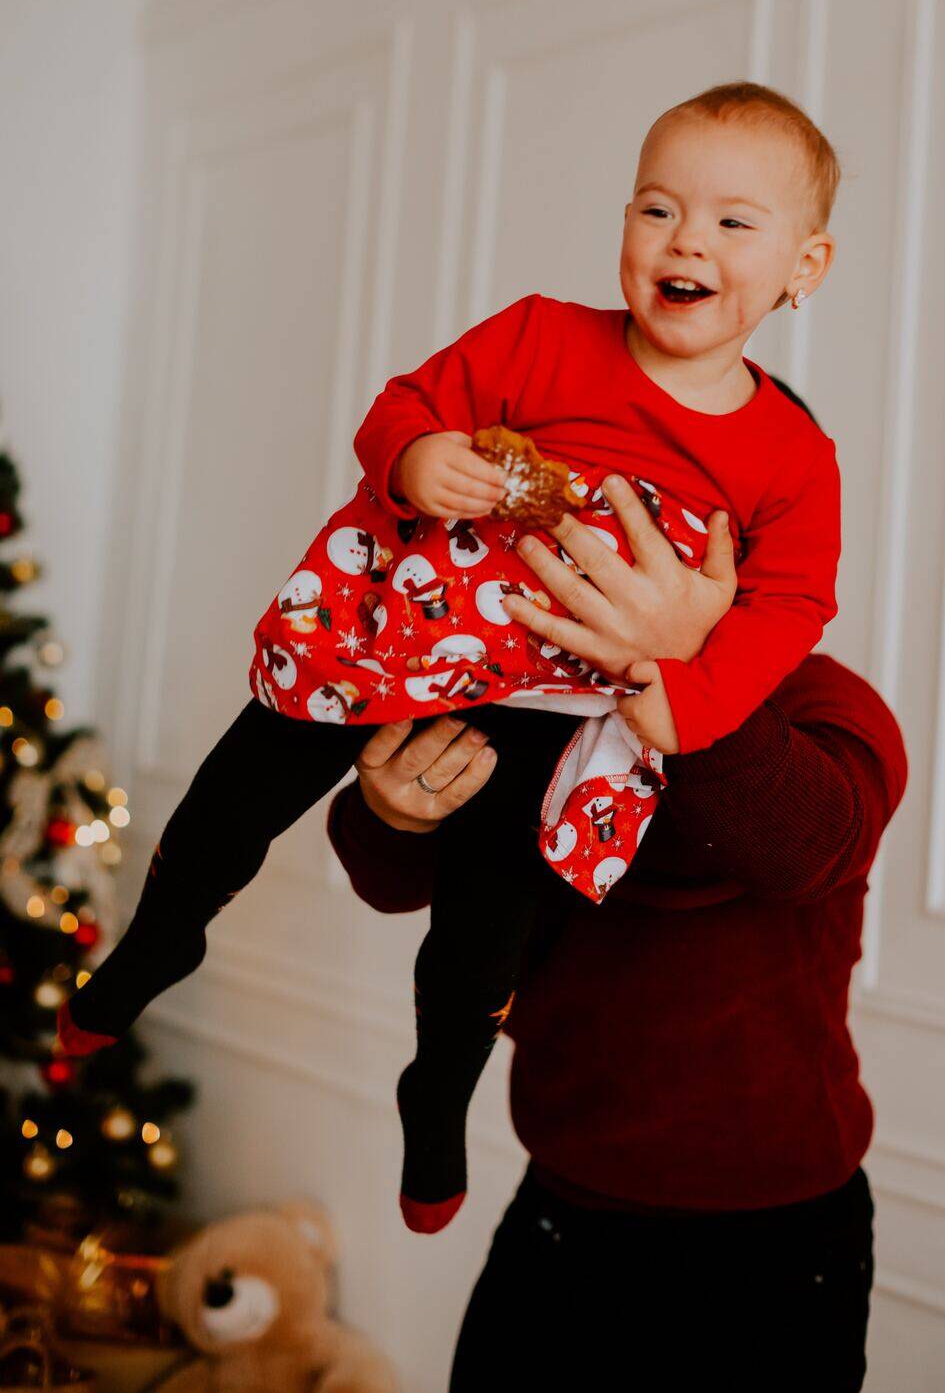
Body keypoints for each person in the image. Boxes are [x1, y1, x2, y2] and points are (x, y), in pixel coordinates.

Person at [56, 79, 843, 1238]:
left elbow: (789, 605)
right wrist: (418, 458)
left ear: (803, 267)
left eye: (734, 222)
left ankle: (440, 1092)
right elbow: (401, 406)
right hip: (408, 624)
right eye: (657, 209)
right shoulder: (538, 334)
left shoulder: (792, 454)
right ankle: (160, 934)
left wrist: (691, 695)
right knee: (244, 779)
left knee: (487, 918)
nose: (686, 242)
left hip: (552, 687)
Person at [328, 439, 907, 1392]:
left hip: (778, 1233)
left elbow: (807, 852)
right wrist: (388, 807)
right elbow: (394, 877)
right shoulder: (537, 690)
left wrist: (683, 671)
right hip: (563, 1198)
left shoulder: (828, 702)